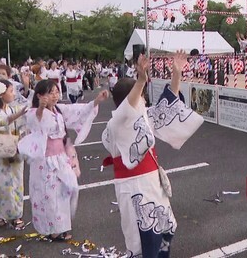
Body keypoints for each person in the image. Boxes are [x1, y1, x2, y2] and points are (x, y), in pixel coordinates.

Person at [101, 52, 203, 257]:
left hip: (151, 181)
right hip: (133, 187)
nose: (144, 98)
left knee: (164, 228)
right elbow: (128, 107)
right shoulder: (116, 123)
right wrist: (140, 79)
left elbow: (168, 104)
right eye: (141, 94)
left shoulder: (143, 115)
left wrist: (176, 73)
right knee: (141, 238)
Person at [19, 80, 108, 241]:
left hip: (61, 159)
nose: (55, 95)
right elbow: (36, 119)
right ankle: (54, 230)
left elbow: (78, 111)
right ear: (40, 96)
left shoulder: (60, 110)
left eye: (56, 92)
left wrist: (96, 100)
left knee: (67, 190)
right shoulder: (33, 112)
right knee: (49, 195)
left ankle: (61, 225)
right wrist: (40, 107)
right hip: (45, 163)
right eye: (50, 92)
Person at [0, 79, 29, 229]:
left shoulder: (12, 108)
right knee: (5, 184)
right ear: (1, 94)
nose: (13, 94)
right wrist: (18, 114)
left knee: (17, 182)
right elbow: (1, 122)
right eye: (11, 91)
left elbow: (22, 121)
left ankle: (10, 214)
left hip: (15, 148)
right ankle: (9, 215)